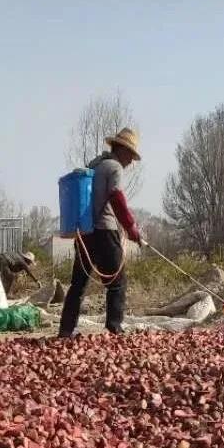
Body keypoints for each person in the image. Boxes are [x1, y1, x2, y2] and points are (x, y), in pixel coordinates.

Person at [58, 127, 143, 338]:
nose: (131, 161)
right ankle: (115, 328)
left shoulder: (94, 165)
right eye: (131, 155)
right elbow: (117, 198)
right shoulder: (114, 167)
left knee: (78, 283)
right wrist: (131, 228)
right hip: (105, 231)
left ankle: (65, 330)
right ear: (122, 150)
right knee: (118, 283)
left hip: (85, 232)